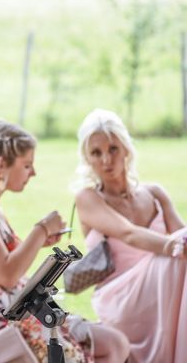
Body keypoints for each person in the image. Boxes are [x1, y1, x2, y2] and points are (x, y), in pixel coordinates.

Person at [0, 120, 129, 363]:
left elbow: (3, 263)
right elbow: (6, 274)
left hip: (20, 309)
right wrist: (41, 230)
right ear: (1, 165)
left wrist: (41, 240)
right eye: (27, 165)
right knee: (76, 355)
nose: (33, 173)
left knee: (115, 343)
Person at [74, 108, 187, 362]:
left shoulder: (155, 194)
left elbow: (181, 232)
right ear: (87, 159)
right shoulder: (88, 198)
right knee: (174, 256)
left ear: (126, 149)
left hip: (161, 290)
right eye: (96, 152)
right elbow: (129, 234)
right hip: (119, 297)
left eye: (113, 149)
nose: (106, 159)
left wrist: (179, 244)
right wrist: (173, 247)